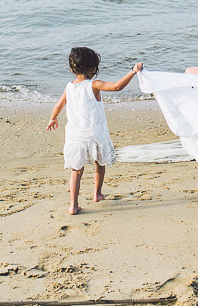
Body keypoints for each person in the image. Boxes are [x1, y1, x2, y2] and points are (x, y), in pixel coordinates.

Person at [47, 47, 143, 214]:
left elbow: (59, 105)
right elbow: (117, 87)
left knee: (76, 171)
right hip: (95, 134)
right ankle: (97, 194)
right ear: (94, 68)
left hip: (75, 135)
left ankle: (73, 205)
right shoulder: (93, 85)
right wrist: (133, 71)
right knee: (99, 163)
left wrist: (52, 118)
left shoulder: (69, 87)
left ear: (72, 69)